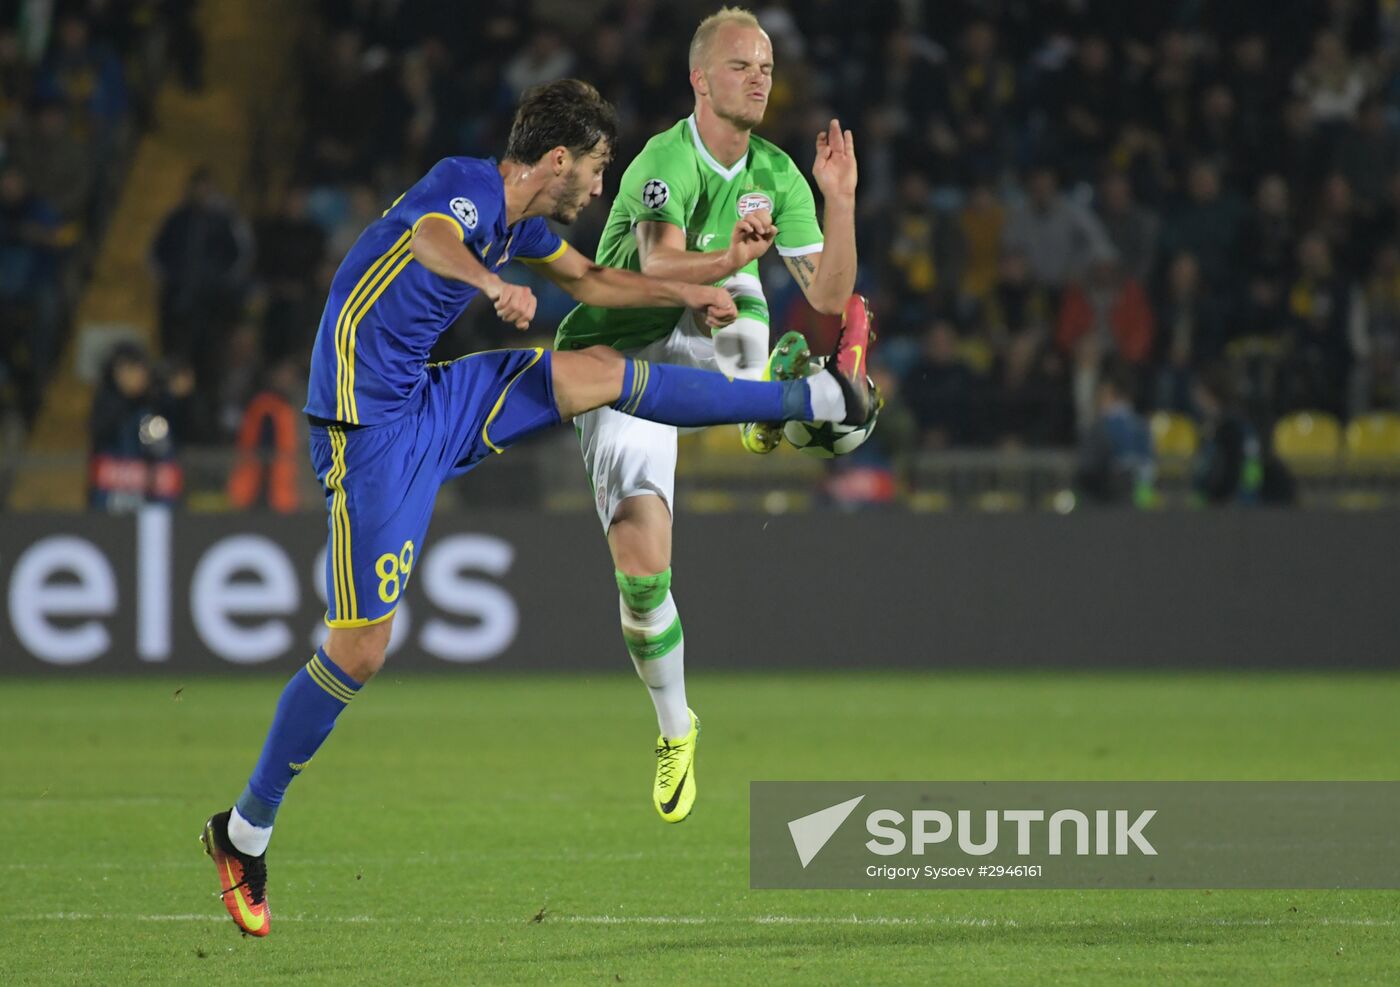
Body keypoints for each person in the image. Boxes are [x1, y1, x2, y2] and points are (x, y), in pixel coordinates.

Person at [201, 78, 876, 938]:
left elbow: (594, 282)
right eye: (595, 171)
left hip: (427, 397)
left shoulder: (522, 225)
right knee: (362, 647)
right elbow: (429, 237)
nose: (601, 187)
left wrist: (699, 284)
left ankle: (811, 402)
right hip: (365, 429)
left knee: (595, 373)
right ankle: (244, 830)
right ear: (558, 159)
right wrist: (492, 283)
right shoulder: (470, 190)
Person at [552, 6, 859, 826]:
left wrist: (840, 200)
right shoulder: (664, 158)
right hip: (618, 359)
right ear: (699, 78)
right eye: (740, 66)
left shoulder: (780, 173)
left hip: (703, 328)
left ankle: (760, 398)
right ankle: (674, 725)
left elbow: (829, 296)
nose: (759, 77)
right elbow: (658, 263)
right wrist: (736, 254)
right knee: (642, 571)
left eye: (765, 66)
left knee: (740, 296)